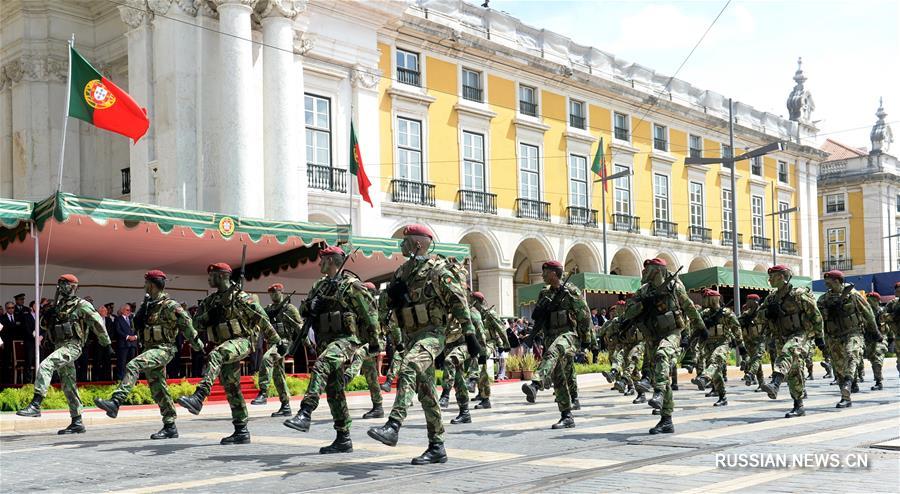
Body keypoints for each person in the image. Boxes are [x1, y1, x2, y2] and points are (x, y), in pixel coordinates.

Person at [367, 224, 480, 465]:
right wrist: (390, 301)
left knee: (408, 367)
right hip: (411, 337)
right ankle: (437, 446)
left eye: (405, 241)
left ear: (418, 243)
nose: (401, 245)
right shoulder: (401, 272)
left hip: (432, 334)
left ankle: (393, 425)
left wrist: (470, 336)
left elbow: (459, 301)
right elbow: (386, 308)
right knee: (427, 393)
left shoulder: (438, 270)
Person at [283, 245, 379, 455]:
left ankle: (305, 412)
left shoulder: (351, 285)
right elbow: (303, 311)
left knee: (321, 365)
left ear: (332, 261)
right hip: (326, 341)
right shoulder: (319, 285)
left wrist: (374, 342)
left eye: (323, 260)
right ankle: (343, 438)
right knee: (334, 391)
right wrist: (311, 305)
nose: (319, 264)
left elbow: (369, 312)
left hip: (346, 339)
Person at [177, 262, 277, 445]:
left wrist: (278, 342)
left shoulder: (240, 297)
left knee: (216, 355)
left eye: (212, 275)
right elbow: (196, 324)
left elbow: (262, 319)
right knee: (231, 387)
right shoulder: (210, 301)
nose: (208, 278)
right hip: (225, 344)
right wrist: (210, 316)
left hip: (242, 341)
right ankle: (241, 430)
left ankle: (199, 396)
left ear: (223, 276)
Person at [96, 270, 203, 439]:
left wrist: (196, 343)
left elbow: (186, 322)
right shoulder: (148, 305)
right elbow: (136, 324)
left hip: (164, 349)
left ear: (152, 285)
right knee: (158, 387)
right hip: (150, 349)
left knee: (133, 364)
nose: (144, 286)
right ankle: (170, 426)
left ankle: (116, 402)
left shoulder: (169, 305)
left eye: (146, 283)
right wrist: (143, 307)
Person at [16, 274, 113, 434]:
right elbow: (45, 326)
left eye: (64, 284)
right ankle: (77, 421)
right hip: (59, 345)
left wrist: (106, 344)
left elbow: (97, 322)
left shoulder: (81, 304)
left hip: (73, 345)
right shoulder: (59, 305)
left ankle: (36, 404)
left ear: (73, 286)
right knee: (68, 385)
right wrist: (47, 315)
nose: (61, 287)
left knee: (46, 365)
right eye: (60, 284)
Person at [623, 258, 704, 434]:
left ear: (657, 271)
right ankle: (666, 420)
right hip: (652, 335)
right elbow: (628, 312)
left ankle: (658, 393)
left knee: (662, 355)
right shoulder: (643, 291)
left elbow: (689, 307)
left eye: (648, 269)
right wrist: (642, 305)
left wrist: (700, 327)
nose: (643, 273)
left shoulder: (674, 287)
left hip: (672, 332)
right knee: (661, 372)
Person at [520, 260, 593, 429]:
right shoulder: (544, 292)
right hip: (550, 336)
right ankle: (567, 415)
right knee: (559, 377)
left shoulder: (571, 291)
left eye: (545, 272)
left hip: (568, 334)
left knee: (555, 350)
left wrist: (587, 341)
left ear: (554, 273)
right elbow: (538, 317)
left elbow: (584, 316)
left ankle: (536, 384)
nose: (542, 275)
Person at [758, 265, 825, 418]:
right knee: (794, 371)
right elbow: (758, 317)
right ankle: (798, 405)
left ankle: (775, 383)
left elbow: (816, 316)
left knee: (788, 350)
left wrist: (820, 339)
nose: (769, 280)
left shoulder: (799, 295)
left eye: (773, 276)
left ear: (782, 277)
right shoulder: (771, 298)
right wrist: (768, 312)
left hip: (801, 334)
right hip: (782, 336)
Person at [816, 270, 875, 409]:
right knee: (839, 368)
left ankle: (847, 387)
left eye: (828, 280)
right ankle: (847, 392)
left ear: (837, 281)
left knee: (851, 354)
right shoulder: (823, 299)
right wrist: (820, 339)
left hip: (853, 332)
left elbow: (868, 313)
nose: (826, 283)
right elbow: (819, 320)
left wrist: (875, 332)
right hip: (833, 336)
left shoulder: (853, 295)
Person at [252, 283, 303, 417]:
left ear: (282, 292)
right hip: (272, 343)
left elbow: (300, 327)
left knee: (267, 359)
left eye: (276, 293)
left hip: (285, 342)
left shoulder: (290, 308)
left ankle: (263, 392)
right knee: (278, 375)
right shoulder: (268, 309)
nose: (274, 295)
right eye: (271, 294)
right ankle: (285, 406)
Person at [692, 289, 745, 407]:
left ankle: (704, 378)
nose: (704, 300)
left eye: (706, 298)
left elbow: (737, 329)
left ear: (713, 299)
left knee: (715, 360)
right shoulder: (704, 314)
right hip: (708, 344)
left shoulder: (726, 313)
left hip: (723, 343)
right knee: (716, 372)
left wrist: (741, 347)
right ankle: (722, 396)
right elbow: (695, 327)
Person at [344, 281, 388, 419]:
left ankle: (347, 377)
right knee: (371, 376)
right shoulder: (359, 306)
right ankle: (378, 407)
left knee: (360, 354)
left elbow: (375, 326)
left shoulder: (372, 306)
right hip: (365, 341)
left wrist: (375, 343)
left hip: (376, 341)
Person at [471, 291, 510, 410]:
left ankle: (484, 396)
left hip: (489, 343)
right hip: (477, 343)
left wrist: (505, 344)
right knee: (478, 366)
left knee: (480, 364)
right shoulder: (474, 313)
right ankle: (480, 392)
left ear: (477, 301)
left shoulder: (490, 314)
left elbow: (501, 329)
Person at [739, 294, 768, 391]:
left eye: (749, 300)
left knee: (757, 358)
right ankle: (761, 383)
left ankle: (751, 374)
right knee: (756, 362)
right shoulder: (746, 313)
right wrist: (744, 321)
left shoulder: (762, 312)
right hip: (749, 340)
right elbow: (738, 324)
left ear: (755, 301)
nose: (747, 302)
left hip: (760, 339)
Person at [863, 291, 887, 391]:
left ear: (877, 301)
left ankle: (879, 381)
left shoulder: (881, 312)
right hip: (868, 339)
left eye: (872, 301)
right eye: (868, 301)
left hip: (880, 338)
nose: (869, 303)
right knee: (872, 359)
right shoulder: (863, 312)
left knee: (877, 359)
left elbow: (885, 327)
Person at [114, 304, 138, 380]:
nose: (129, 312)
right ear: (122, 310)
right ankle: (121, 379)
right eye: (127, 310)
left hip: (133, 344)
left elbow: (137, 329)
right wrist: (127, 337)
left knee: (132, 362)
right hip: (123, 344)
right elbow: (118, 330)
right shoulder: (118, 319)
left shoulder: (132, 319)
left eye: (130, 310)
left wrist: (135, 336)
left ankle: (131, 379)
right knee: (122, 362)